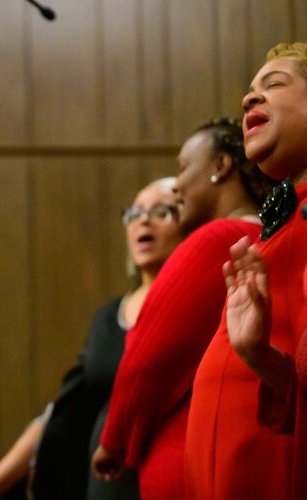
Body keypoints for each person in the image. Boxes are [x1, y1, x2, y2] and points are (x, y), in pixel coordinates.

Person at [0, 177, 186, 500]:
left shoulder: (190, 308)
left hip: (170, 478)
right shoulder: (108, 316)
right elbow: (63, 412)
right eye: (135, 213)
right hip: (104, 482)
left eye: (161, 211)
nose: (143, 220)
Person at [92, 118, 276, 499]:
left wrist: (114, 440)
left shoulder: (217, 238)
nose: (176, 184)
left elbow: (150, 353)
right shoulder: (272, 237)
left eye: (183, 167)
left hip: (186, 457)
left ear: (220, 167)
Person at [186, 42, 307, 499]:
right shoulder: (281, 221)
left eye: (274, 85)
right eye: (249, 92)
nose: (248, 99)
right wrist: (255, 353)